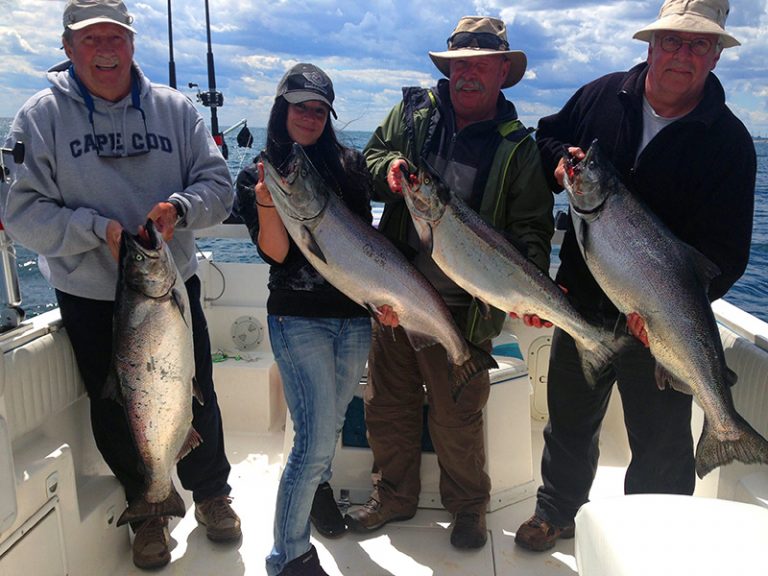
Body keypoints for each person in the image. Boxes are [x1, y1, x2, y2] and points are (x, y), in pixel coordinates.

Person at [0, 0, 241, 569]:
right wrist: (94, 229)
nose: (105, 49)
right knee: (116, 407)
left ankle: (211, 494)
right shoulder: (38, 118)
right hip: (88, 295)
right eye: (89, 39)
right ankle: (149, 506)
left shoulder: (176, 111)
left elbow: (219, 184)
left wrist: (180, 209)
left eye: (116, 37)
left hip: (171, 287)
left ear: (132, 43)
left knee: (194, 388)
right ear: (67, 48)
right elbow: (23, 212)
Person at [514, 0, 756, 552]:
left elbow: (726, 253)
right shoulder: (601, 95)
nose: (682, 54)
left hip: (663, 321)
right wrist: (559, 165)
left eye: (699, 45)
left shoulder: (730, 142)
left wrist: (669, 309)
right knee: (569, 420)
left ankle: (652, 542)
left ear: (716, 57)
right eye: (672, 41)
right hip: (582, 306)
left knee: (663, 444)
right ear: (650, 46)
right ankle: (557, 513)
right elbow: (547, 135)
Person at [344, 15, 554, 549]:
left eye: (481, 65)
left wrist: (525, 292)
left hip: (468, 307)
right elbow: (367, 159)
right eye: (460, 66)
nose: (468, 76)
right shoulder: (413, 114)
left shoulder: (518, 146)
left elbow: (531, 228)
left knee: (458, 415)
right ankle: (392, 495)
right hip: (395, 287)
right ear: (447, 69)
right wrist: (390, 165)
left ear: (503, 71)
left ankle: (468, 508)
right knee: (387, 403)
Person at [234, 63, 378, 576]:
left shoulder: (348, 163)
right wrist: (267, 204)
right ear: (282, 108)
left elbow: (364, 248)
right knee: (314, 439)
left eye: (319, 110)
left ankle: (316, 493)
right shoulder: (257, 172)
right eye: (301, 107)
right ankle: (288, 555)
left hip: (353, 317)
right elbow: (274, 254)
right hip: (299, 321)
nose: (310, 117)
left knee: (330, 426)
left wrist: (383, 300)